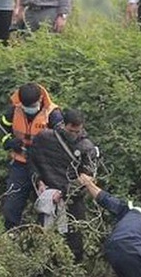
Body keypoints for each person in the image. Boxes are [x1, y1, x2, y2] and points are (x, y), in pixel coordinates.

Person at [28, 109, 99, 263]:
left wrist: (64, 193)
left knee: (74, 240)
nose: (74, 134)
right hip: (47, 195)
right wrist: (39, 181)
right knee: (44, 237)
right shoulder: (44, 138)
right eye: (71, 130)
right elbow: (32, 160)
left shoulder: (86, 147)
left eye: (77, 131)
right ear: (64, 124)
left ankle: (73, 268)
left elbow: (87, 178)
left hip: (73, 198)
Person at [0, 82, 62, 231]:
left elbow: (61, 143)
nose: (29, 109)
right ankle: (12, 235)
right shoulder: (13, 111)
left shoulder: (53, 115)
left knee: (45, 207)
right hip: (20, 164)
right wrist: (9, 141)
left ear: (40, 99)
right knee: (11, 206)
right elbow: (3, 130)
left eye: (32, 105)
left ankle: (42, 239)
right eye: (25, 106)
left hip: (44, 168)